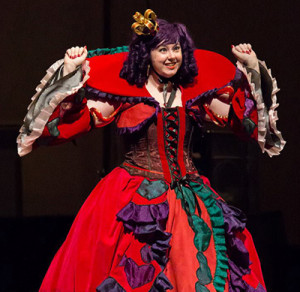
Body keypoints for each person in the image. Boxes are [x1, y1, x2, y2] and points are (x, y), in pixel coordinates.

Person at [17, 9, 285, 292]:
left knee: (194, 271)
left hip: (188, 199)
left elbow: (242, 122)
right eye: (162, 50)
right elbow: (79, 119)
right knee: (133, 271)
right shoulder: (128, 96)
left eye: (176, 48)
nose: (171, 56)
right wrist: (71, 73)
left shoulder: (192, 96)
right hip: (134, 197)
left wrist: (252, 68)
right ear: (147, 54)